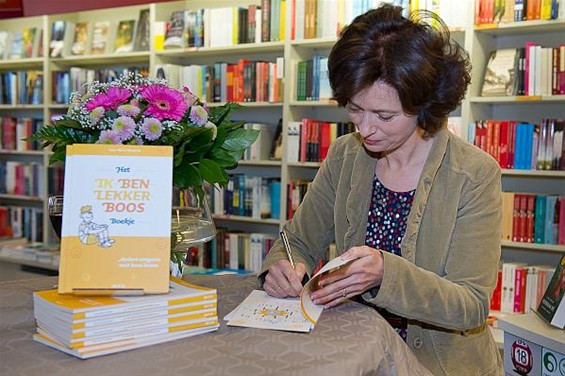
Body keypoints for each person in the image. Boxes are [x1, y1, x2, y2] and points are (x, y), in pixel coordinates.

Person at [258, 5, 502, 376]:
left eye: (384, 116)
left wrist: (386, 274)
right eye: (355, 110)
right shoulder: (345, 155)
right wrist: (280, 267)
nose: (366, 128)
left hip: (439, 366)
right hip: (357, 357)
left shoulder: (474, 174)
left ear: (425, 105)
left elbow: (471, 305)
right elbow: (296, 242)